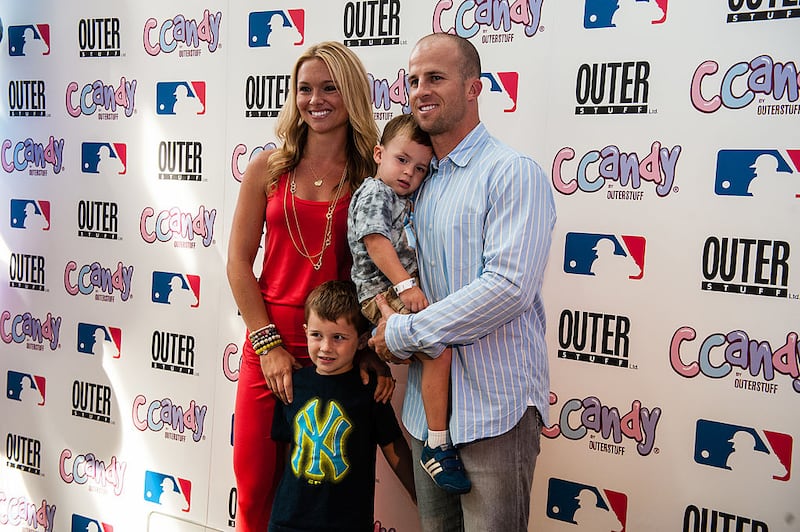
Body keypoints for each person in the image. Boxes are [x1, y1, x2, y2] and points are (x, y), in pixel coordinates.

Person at [369, 33, 557, 531]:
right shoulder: (416, 180)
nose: (421, 90)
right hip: (424, 415)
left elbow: (508, 287)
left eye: (436, 77)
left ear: (474, 87)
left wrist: (404, 332)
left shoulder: (512, 173)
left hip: (495, 411)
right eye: (413, 80)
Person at [226, 41, 392, 531]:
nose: (315, 100)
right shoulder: (266, 169)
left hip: (334, 349)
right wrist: (267, 345)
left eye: (329, 88)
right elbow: (237, 264)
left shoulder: (371, 178)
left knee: (323, 502)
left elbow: (376, 273)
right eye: (304, 88)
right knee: (254, 489)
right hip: (268, 344)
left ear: (352, 95)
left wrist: (364, 346)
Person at [348, 113, 469, 494]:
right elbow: (375, 241)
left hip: (392, 291)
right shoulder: (375, 192)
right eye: (401, 160)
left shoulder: (402, 197)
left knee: (438, 353)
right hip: (382, 294)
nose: (409, 174)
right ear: (379, 154)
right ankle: (438, 445)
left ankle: (439, 437)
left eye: (420, 169)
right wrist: (405, 286)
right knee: (438, 351)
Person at [269, 280, 415, 532]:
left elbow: (393, 445)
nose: (326, 347)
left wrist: (419, 494)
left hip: (348, 522)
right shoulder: (292, 386)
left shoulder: (370, 391)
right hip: (288, 521)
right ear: (305, 331)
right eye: (317, 335)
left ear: (361, 341)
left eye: (338, 338)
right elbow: (287, 451)